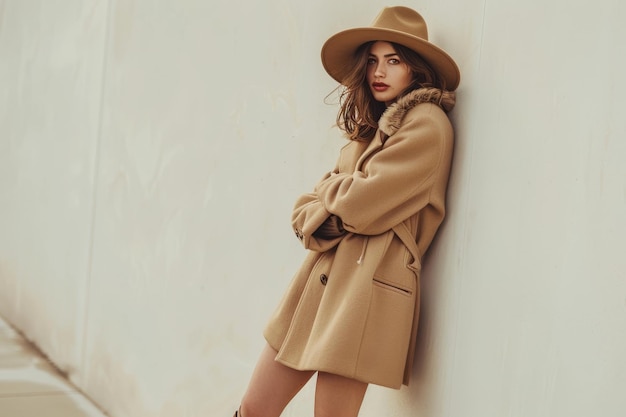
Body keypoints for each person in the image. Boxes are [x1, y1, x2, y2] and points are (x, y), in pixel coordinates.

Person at [233, 6, 460, 417]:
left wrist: (330, 192)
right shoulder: (372, 130)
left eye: (394, 61)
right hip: (319, 282)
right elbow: (306, 213)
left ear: (416, 70)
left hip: (365, 292)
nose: (380, 71)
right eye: (373, 60)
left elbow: (358, 206)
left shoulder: (427, 125)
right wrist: (334, 197)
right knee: (253, 408)